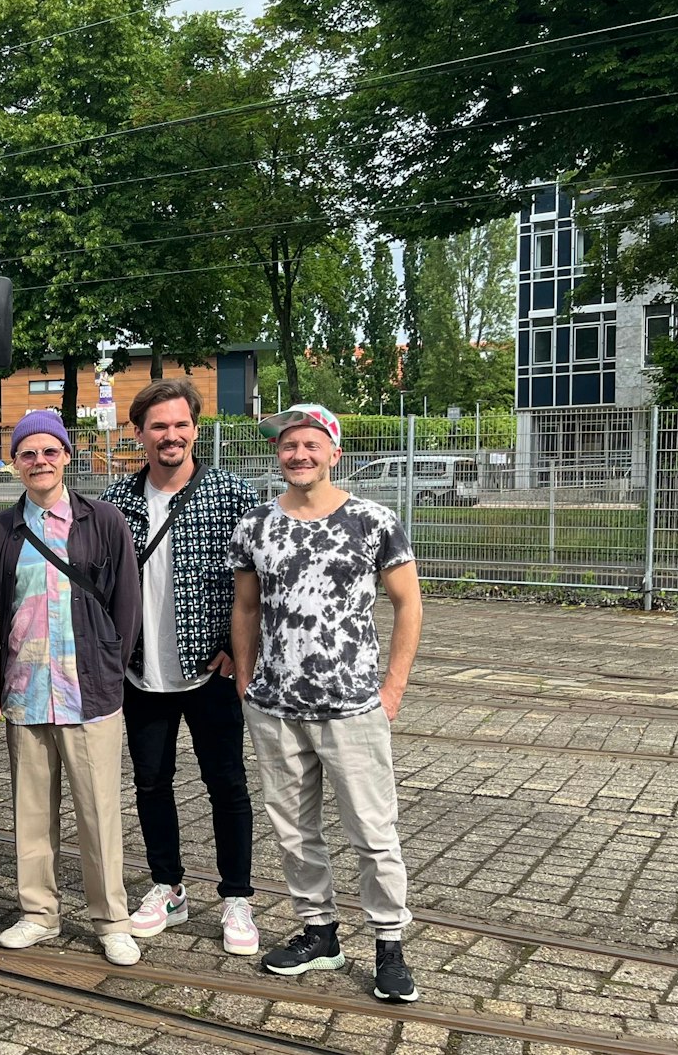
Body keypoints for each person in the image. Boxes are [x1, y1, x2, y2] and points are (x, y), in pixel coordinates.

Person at [230, 403, 423, 1004]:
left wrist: (391, 689)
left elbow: (408, 604)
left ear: (334, 452)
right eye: (289, 446)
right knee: (293, 831)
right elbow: (246, 608)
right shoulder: (255, 526)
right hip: (275, 707)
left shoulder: (373, 521)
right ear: (278, 455)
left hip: (352, 707)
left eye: (312, 444)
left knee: (372, 830)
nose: (299, 455)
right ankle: (320, 933)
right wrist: (245, 683)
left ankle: (389, 944)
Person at [102, 380, 262, 955]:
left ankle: (237, 897)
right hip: (142, 671)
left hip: (210, 669)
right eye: (158, 426)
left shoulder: (231, 494)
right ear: (139, 433)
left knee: (226, 784)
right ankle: (168, 886)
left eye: (180, 424)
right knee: (150, 783)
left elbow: (259, 582)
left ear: (195, 428)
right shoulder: (116, 503)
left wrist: (238, 648)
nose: (170, 436)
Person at [0, 409, 143, 967]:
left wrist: (108, 664)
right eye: (27, 453)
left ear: (67, 457)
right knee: (31, 811)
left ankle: (111, 919)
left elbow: (127, 603)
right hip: (26, 692)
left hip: (88, 693)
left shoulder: (102, 521)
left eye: (49, 451)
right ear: (15, 463)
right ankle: (38, 914)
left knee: (99, 811)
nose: (39, 461)